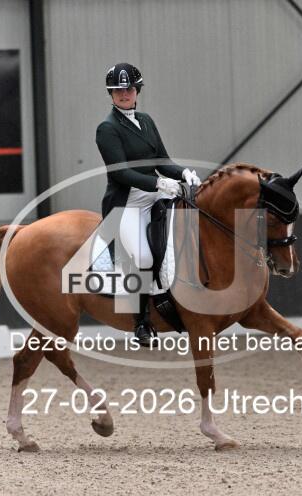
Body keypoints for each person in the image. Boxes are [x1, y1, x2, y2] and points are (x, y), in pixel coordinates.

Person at [96, 62, 201, 347]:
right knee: (142, 258)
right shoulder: (107, 128)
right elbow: (121, 173)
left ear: (137, 91)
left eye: (129, 89)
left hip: (155, 194)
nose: (124, 94)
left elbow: (162, 161)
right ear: (111, 93)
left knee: (188, 227)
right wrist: (158, 184)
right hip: (127, 202)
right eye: (118, 90)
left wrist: (183, 173)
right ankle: (142, 322)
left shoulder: (146, 121)